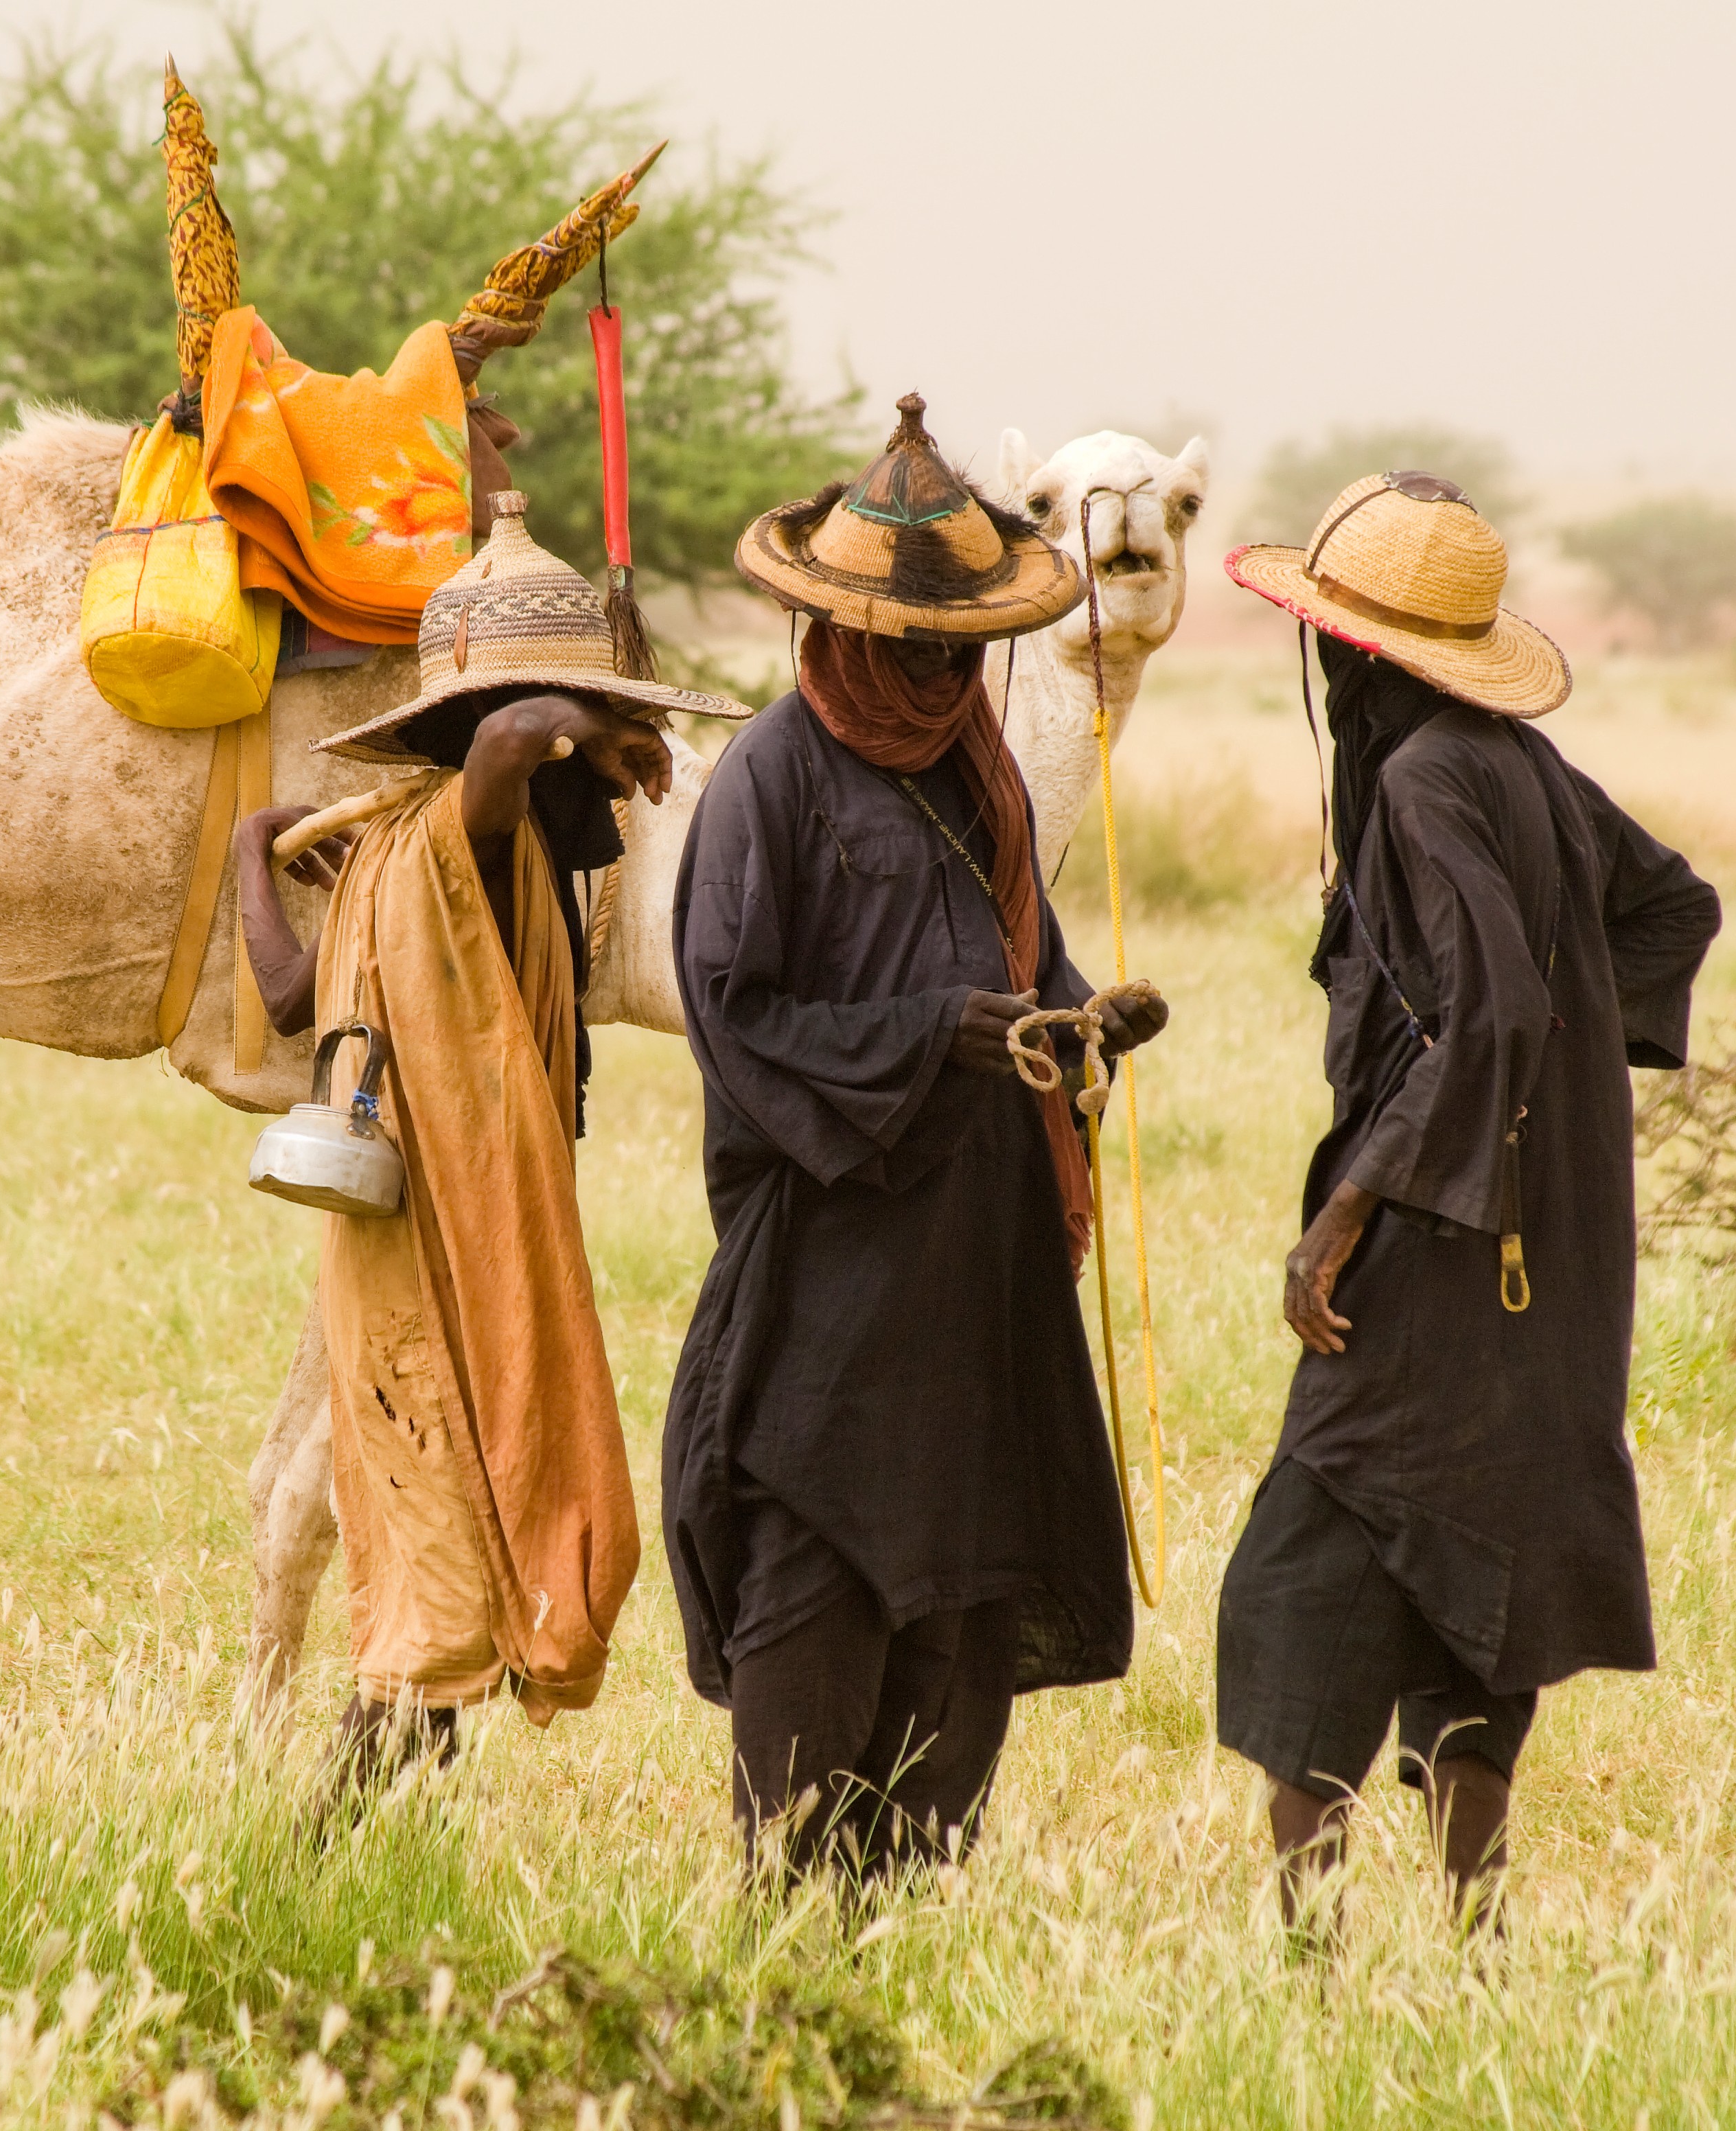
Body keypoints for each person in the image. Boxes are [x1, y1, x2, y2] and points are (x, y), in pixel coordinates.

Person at [662, 395, 1168, 1885]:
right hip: (831, 1273)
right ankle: (786, 1913)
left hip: (979, 1261)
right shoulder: (768, 778)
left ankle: (903, 1914)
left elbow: (1028, 960)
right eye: (912, 646)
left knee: (962, 1574)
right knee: (813, 1562)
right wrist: (928, 1033)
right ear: (838, 631)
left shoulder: (982, 773)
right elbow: (733, 1012)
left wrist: (1077, 1028)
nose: (938, 672)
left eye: (960, 649)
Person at [1216, 472, 1723, 1938]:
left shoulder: (1424, 775)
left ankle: (1308, 1951)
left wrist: (1343, 1215)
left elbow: (1489, 1007)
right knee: (1477, 1558)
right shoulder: (1521, 762)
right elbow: (1669, 908)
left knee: (1299, 1570)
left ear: (1351, 656)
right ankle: (1472, 1929)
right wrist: (1553, 1109)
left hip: (1437, 1262)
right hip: (1543, 1256)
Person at [235, 492, 743, 1797]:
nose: (617, 822)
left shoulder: (398, 855)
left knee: (445, 1514)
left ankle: (387, 1822)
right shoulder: (468, 832)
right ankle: (340, 1841)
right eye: (598, 780)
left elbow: (291, 1000)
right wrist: (606, 727)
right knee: (445, 1527)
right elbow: (517, 728)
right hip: (436, 1250)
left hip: (422, 1243)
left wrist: (252, 858)